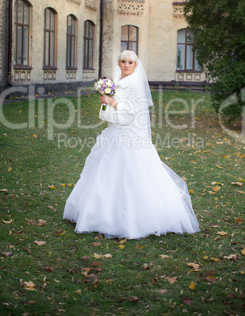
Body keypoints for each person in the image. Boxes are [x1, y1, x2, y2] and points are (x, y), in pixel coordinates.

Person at [63, 50, 200, 239]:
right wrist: (107, 101)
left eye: (131, 62)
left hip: (128, 136)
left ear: (136, 66)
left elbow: (130, 113)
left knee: (132, 174)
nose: (127, 65)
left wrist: (112, 102)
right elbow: (110, 111)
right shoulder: (119, 83)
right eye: (123, 61)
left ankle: (137, 219)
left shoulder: (134, 84)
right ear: (118, 64)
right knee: (105, 173)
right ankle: (98, 213)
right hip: (115, 133)